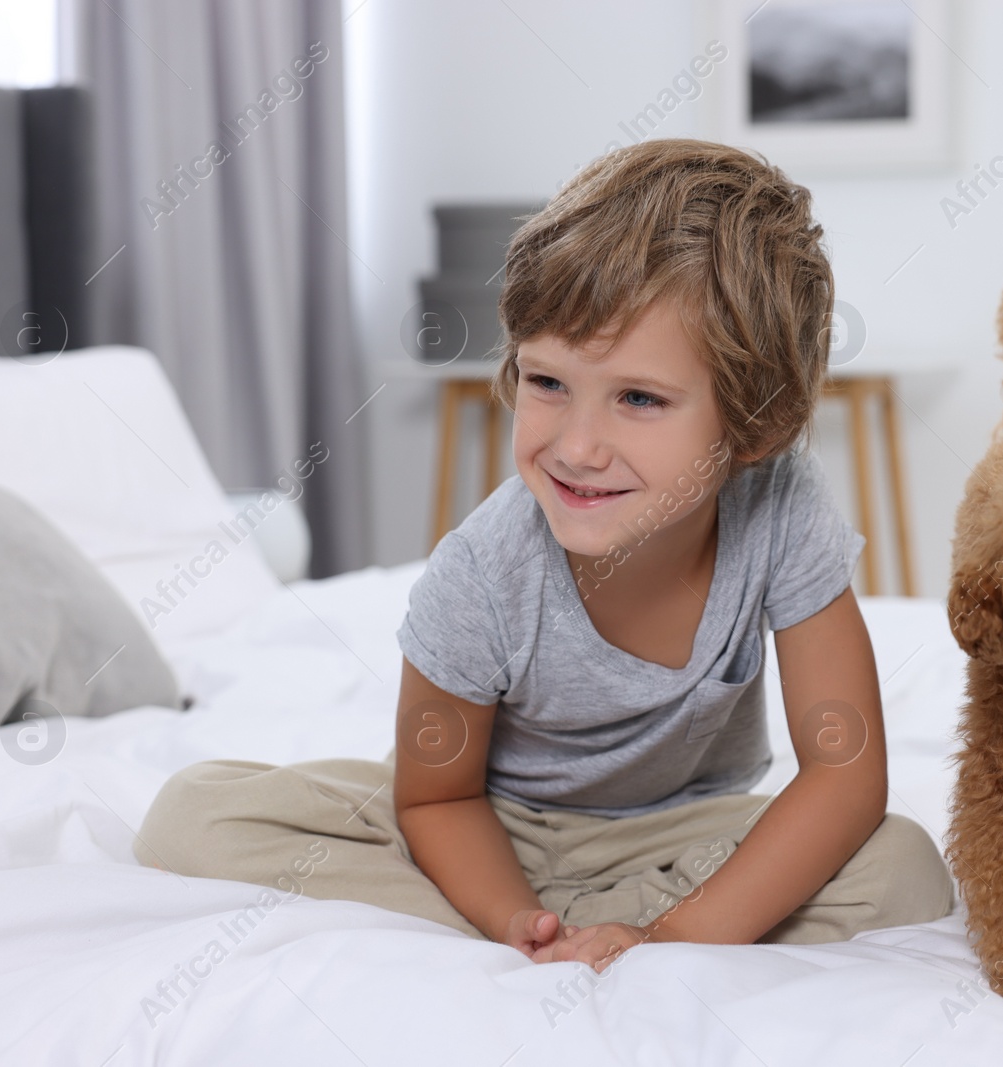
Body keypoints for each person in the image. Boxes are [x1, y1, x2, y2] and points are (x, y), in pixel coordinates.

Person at [134, 138, 953, 974]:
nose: (578, 445)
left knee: (905, 869)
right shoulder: (482, 574)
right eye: (548, 382)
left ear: (758, 427)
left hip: (685, 836)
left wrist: (673, 937)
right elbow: (435, 795)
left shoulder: (783, 508)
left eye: (638, 398)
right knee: (194, 817)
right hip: (492, 823)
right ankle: (581, 934)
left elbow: (844, 778)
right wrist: (514, 918)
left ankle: (643, 926)